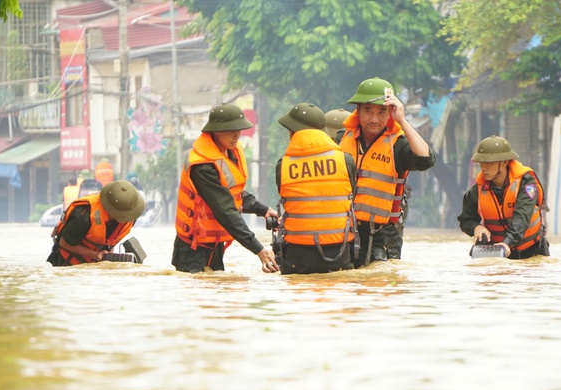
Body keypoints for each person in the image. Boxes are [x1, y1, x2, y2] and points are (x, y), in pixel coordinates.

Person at [172, 103, 280, 273]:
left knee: (219, 290)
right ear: (216, 131)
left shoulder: (231, 152)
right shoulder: (203, 166)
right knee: (201, 294)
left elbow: (234, 194)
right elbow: (225, 210)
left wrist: (263, 210)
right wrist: (258, 249)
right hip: (193, 249)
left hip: (214, 245)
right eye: (231, 130)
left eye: (239, 130)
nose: (236, 135)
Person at [339, 77, 435, 267]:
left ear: (390, 113)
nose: (374, 119)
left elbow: (426, 159)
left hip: (380, 236)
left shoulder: (398, 144)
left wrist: (402, 120)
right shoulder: (342, 139)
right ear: (357, 110)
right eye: (368, 111)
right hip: (343, 231)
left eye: (381, 112)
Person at [275, 103, 357, 274]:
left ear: (293, 132)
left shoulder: (283, 166)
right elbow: (350, 198)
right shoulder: (345, 160)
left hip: (298, 257)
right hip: (338, 254)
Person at [457, 135, 550, 259]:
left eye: (489, 163)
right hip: (498, 254)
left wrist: (507, 243)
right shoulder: (476, 191)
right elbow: (465, 220)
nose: (484, 167)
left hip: (532, 252)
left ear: (505, 162)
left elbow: (522, 218)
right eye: (481, 162)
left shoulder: (526, 183)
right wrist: (476, 227)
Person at [47, 180, 145, 266]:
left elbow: (111, 239)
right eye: (124, 215)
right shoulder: (84, 216)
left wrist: (108, 255)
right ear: (112, 210)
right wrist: (97, 255)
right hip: (66, 262)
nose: (128, 218)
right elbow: (64, 243)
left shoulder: (131, 217)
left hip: (95, 265)